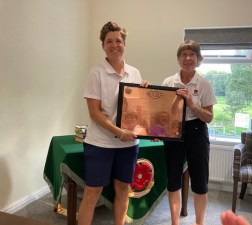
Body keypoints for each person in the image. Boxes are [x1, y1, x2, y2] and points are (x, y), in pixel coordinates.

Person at [78, 21, 150, 225]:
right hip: (100, 143)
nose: (114, 45)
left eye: (118, 40)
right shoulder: (96, 73)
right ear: (103, 46)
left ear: (124, 44)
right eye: (109, 41)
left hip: (128, 145)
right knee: (92, 193)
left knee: (123, 190)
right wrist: (119, 132)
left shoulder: (135, 73)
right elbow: (94, 113)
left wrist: (145, 92)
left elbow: (139, 110)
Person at [161, 40, 217, 225]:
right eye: (184, 54)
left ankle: (199, 222)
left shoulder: (204, 84)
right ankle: (175, 222)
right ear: (178, 59)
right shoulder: (169, 82)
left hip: (197, 130)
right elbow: (162, 113)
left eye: (192, 54)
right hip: (173, 132)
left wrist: (192, 104)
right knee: (174, 181)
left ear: (198, 59)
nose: (187, 58)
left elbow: (209, 117)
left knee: (200, 183)